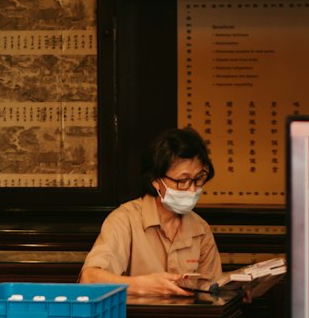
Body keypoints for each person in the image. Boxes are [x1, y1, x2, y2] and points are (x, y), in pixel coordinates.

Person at [80, 126, 223, 297]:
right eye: (183, 180)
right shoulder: (125, 220)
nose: (192, 190)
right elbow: (89, 279)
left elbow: (211, 290)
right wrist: (139, 285)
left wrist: (232, 292)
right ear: (156, 181)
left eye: (198, 179)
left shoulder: (200, 229)